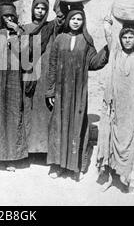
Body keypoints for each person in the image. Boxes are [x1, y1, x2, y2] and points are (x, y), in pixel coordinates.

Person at [46, 9, 111, 180]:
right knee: (59, 127)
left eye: (79, 19)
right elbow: (52, 65)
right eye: (73, 18)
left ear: (83, 21)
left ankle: (76, 167)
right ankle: (58, 165)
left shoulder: (86, 41)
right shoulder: (59, 39)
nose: (76, 21)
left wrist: (108, 47)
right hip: (60, 92)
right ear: (68, 20)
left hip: (78, 92)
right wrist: (51, 90)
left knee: (77, 126)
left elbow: (94, 63)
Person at [96, 24, 134, 193]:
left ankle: (125, 176)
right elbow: (109, 36)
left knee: (128, 141)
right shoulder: (115, 53)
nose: (127, 40)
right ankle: (108, 176)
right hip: (114, 105)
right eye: (124, 37)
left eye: (131, 37)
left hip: (131, 109)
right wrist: (107, 23)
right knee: (108, 137)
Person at [0, 3, 28, 171]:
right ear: (0, 18)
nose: (9, 19)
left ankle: (11, 158)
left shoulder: (21, 34)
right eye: (6, 17)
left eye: (12, 16)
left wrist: (18, 31)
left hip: (15, 81)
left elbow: (27, 55)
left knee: (14, 117)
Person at [22, 0, 64, 154]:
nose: (40, 11)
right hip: (29, 75)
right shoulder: (25, 28)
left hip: (46, 75)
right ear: (32, 9)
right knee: (28, 110)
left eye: (43, 9)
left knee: (45, 111)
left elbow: (61, 17)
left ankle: (45, 149)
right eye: (37, 8)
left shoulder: (51, 27)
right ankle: (28, 149)